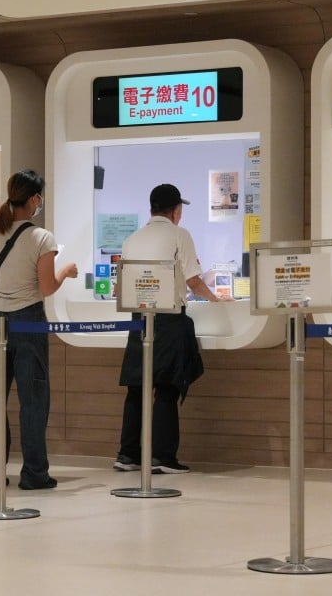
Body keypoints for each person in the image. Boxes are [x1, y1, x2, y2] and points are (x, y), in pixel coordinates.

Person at [0, 169, 78, 490]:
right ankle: (33, 473)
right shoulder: (41, 238)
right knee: (32, 400)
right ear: (34, 198)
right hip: (28, 323)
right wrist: (65, 272)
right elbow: (46, 287)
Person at [114, 183, 231, 475]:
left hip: (138, 317)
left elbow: (120, 285)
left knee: (137, 388)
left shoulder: (132, 238)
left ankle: (127, 455)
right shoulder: (180, 235)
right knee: (165, 387)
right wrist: (217, 299)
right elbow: (193, 280)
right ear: (177, 210)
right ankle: (162, 457)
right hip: (168, 318)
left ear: (151, 208)